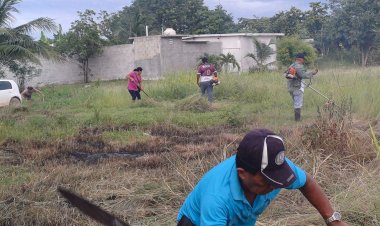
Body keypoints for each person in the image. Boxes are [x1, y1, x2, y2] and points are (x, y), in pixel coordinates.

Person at [177, 128, 347, 226]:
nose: (275, 186)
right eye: (268, 180)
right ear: (242, 174)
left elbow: (307, 183)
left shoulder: (275, 168)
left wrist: (332, 219)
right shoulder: (217, 198)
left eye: (278, 177)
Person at [287, 53, 318, 121]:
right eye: (303, 59)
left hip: (290, 88)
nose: (303, 61)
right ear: (301, 59)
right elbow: (303, 75)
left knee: (296, 103)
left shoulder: (291, 65)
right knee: (298, 104)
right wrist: (312, 73)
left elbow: (286, 74)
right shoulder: (299, 66)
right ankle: (297, 120)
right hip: (297, 88)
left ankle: (297, 118)